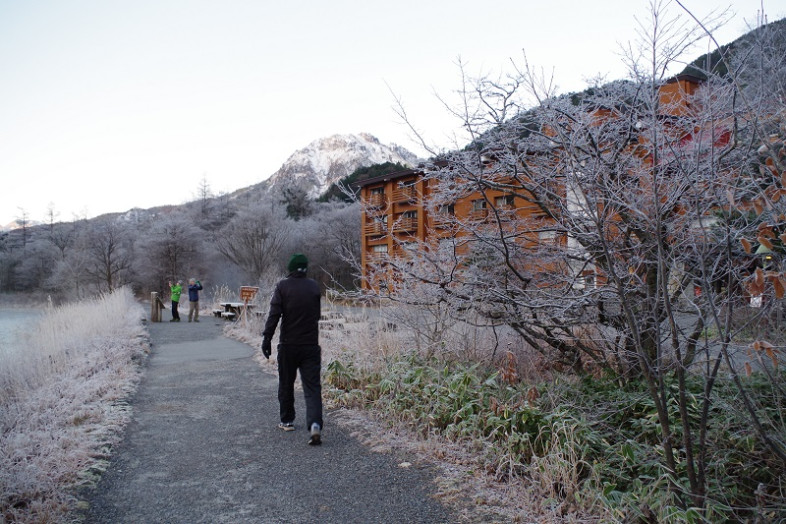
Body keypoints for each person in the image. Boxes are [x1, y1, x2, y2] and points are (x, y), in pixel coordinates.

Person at [261, 253, 323, 445]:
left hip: (288, 345)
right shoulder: (314, 286)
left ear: (290, 268)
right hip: (311, 345)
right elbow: (317, 315)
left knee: (286, 383)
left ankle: (287, 420)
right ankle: (314, 426)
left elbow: (274, 314)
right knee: (312, 387)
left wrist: (267, 339)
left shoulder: (283, 286)